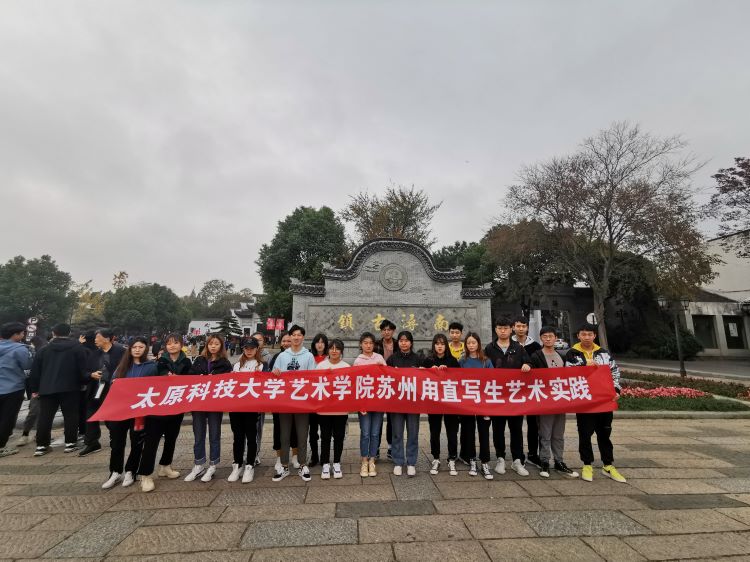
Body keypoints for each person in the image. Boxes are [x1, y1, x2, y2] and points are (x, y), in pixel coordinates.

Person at [564, 323, 626, 483]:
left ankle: (608, 465)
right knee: (585, 434)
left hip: (603, 401)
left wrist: (617, 390)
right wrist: (585, 366)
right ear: (578, 336)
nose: (586, 337)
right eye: (583, 334)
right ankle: (587, 464)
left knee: (604, 434)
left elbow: (614, 372)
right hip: (584, 401)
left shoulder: (603, 353)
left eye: (589, 334)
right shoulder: (572, 353)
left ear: (594, 336)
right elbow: (567, 373)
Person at [137, 333, 192, 492]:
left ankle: (165, 466)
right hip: (158, 408)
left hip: (176, 406)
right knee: (152, 440)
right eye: (169, 343)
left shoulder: (187, 361)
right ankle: (145, 474)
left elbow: (190, 379)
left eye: (175, 343)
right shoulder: (160, 361)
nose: (172, 346)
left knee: (171, 437)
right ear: (165, 346)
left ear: (181, 344)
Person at [102, 336, 155, 489]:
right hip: (121, 410)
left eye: (141, 347)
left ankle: (131, 470)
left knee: (136, 441)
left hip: (139, 410)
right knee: (117, 442)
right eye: (134, 347)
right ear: (130, 349)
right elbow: (113, 385)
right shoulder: (123, 366)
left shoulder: (150, 367)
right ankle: (115, 472)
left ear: (145, 349)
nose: (137, 350)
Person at [29, 323, 88, 456]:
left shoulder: (44, 350)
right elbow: (82, 369)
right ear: (69, 333)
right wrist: (84, 382)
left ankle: (42, 445)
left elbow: (35, 372)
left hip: (47, 388)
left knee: (45, 416)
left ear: (54, 333)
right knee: (71, 415)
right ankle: (70, 443)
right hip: (71, 388)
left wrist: (35, 389)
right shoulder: (77, 348)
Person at [484, 317, 532, 476]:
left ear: (511, 329)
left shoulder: (518, 348)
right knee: (498, 428)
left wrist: (527, 365)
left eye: (505, 328)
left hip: (514, 396)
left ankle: (517, 460)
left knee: (516, 429)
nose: (503, 330)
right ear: (495, 329)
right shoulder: (489, 349)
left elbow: (529, 364)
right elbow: (481, 369)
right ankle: (500, 458)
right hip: (497, 396)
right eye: (500, 328)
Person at [529, 326, 579, 478]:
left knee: (558, 433)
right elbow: (531, 373)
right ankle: (544, 461)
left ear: (555, 338)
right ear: (541, 339)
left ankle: (559, 461)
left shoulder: (562, 355)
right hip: (544, 401)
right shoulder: (536, 355)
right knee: (545, 433)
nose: (548, 339)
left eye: (551, 336)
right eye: (545, 336)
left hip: (559, 399)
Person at [184, 333, 233, 483]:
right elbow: (190, 377)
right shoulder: (199, 360)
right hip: (199, 403)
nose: (213, 346)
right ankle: (199, 464)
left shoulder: (225, 363)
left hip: (214, 404)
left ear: (221, 346)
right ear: (207, 345)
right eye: (211, 343)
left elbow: (228, 381)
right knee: (198, 434)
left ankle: (213, 464)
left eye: (216, 344)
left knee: (214, 434)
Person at [272, 324, 316, 482]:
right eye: (294, 335)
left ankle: (303, 464)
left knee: (302, 434)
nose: (296, 337)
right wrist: (275, 373)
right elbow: (275, 376)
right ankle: (284, 466)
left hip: (302, 402)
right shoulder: (282, 356)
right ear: (289, 337)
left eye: (299, 335)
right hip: (285, 402)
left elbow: (313, 378)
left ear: (303, 337)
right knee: (284, 435)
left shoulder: (308, 356)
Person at [80, 329, 126, 457]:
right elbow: (84, 372)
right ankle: (92, 442)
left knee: (110, 417)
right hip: (96, 389)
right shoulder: (94, 355)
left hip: (113, 390)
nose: (95, 339)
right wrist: (91, 374)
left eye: (97, 337)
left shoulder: (121, 352)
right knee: (90, 415)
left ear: (107, 338)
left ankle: (115, 439)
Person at [227, 339, 264, 484]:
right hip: (236, 406)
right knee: (238, 436)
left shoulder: (260, 366)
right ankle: (237, 464)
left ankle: (250, 465)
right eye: (246, 347)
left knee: (251, 435)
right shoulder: (236, 365)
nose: (249, 350)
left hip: (251, 407)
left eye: (252, 348)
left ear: (257, 349)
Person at [386, 330, 422, 476]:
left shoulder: (418, 359)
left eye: (406, 340)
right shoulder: (392, 359)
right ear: (398, 343)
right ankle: (398, 461)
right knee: (397, 433)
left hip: (413, 402)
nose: (404, 343)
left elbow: (426, 377)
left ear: (411, 342)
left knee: (413, 433)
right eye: (401, 340)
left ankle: (411, 462)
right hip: (397, 403)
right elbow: (385, 377)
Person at [423, 333, 460, 475]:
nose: (440, 346)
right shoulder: (428, 361)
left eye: (442, 344)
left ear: (446, 345)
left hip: (450, 402)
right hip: (433, 402)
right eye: (437, 344)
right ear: (434, 345)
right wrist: (428, 371)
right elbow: (420, 378)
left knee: (452, 431)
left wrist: (448, 372)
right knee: (434, 431)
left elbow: (460, 381)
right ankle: (436, 457)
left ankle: (451, 458)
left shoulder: (453, 361)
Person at [459, 332, 494, 479]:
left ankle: (485, 462)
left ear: (478, 344)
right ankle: (472, 459)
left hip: (483, 403)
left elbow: (493, 380)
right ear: (466, 345)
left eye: (474, 342)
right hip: (467, 403)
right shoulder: (462, 361)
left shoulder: (486, 361)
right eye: (469, 343)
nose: (471, 345)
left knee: (484, 433)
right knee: (468, 433)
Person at [353, 332, 386, 477]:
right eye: (365, 342)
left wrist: (382, 367)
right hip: (364, 404)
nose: (368, 345)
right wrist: (359, 404)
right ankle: (364, 460)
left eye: (370, 343)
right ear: (361, 344)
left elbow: (387, 378)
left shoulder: (379, 358)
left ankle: (372, 459)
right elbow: (355, 383)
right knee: (365, 433)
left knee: (374, 433)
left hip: (378, 402)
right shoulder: (358, 361)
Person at [513, 316, 543, 469]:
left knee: (533, 424)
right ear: (513, 327)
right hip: (513, 391)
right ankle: (517, 456)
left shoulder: (536, 346)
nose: (521, 329)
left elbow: (541, 366)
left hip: (532, 390)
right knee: (515, 425)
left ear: (527, 328)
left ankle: (533, 454)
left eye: (523, 326)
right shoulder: (507, 344)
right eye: (518, 326)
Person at [316, 339, 349, 480]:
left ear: (341, 351)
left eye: (337, 348)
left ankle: (336, 462)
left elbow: (350, 389)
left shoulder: (347, 366)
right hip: (324, 410)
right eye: (331, 348)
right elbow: (315, 386)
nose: (334, 351)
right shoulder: (321, 366)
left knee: (339, 437)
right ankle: (325, 463)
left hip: (341, 410)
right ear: (328, 350)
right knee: (325, 437)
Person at [269, 332, 300, 471]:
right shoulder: (277, 357)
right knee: (279, 429)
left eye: (289, 340)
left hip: (296, 399)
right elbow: (268, 378)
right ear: (281, 343)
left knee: (295, 428)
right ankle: (279, 458)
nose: (287, 343)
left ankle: (295, 456)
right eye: (284, 341)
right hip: (280, 400)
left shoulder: (299, 356)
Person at [0, 322, 31, 457]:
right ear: (15, 334)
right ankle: (1, 446)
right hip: (12, 388)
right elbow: (27, 365)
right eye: (22, 333)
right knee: (8, 417)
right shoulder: (20, 349)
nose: (23, 335)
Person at [17, 335, 47, 447]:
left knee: (37, 412)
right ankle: (26, 434)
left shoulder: (37, 352)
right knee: (36, 411)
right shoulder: (35, 353)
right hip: (40, 387)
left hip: (40, 387)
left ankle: (31, 434)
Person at [374, 319, 396, 459]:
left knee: (392, 417)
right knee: (377, 417)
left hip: (394, 384)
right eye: (384, 330)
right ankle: (375, 447)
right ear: (381, 331)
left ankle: (390, 446)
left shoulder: (399, 344)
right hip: (379, 384)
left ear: (393, 331)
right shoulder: (376, 345)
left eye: (389, 329)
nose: (386, 332)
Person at [308, 333, 329, 468]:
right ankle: (314, 455)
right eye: (317, 342)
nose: (320, 344)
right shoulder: (309, 358)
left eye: (322, 342)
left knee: (325, 431)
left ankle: (324, 457)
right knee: (313, 431)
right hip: (311, 400)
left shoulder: (330, 358)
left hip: (326, 400)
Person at [251, 331, 271, 466]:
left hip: (259, 399)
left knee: (258, 427)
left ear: (263, 342)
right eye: (254, 340)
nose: (257, 342)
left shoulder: (267, 358)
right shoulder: (242, 356)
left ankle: (255, 453)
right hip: (245, 399)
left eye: (260, 340)